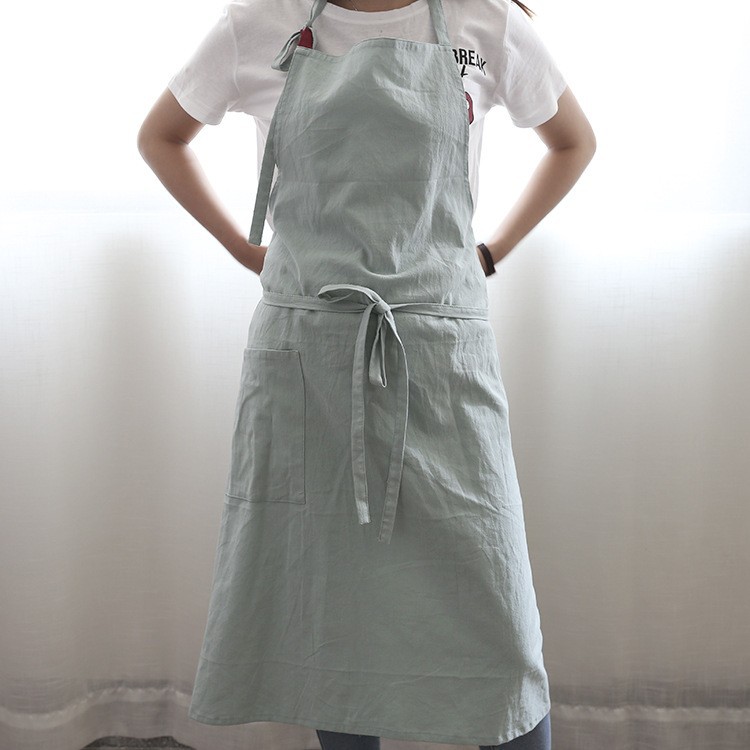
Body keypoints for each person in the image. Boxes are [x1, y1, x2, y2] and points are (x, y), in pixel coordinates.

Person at [137, 1, 595, 749]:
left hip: (441, 355)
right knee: (333, 625)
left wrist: (490, 252)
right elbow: (161, 136)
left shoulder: (484, 20)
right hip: (309, 361)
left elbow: (573, 142)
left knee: (500, 630)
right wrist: (245, 250)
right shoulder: (263, 20)